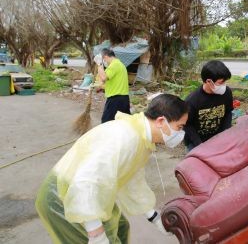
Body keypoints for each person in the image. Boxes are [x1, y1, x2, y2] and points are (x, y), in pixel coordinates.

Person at [35, 94, 189, 244]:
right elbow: (86, 182)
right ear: (161, 121)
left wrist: (154, 217)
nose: (180, 134)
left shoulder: (141, 138)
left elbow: (132, 181)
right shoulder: (125, 137)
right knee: (106, 236)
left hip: (88, 193)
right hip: (64, 197)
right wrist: (96, 234)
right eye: (179, 127)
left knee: (121, 228)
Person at [184, 60, 233, 151]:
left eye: (225, 82)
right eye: (221, 83)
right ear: (209, 81)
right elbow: (187, 125)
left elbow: (228, 113)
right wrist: (200, 145)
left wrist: (225, 134)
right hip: (195, 142)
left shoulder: (227, 93)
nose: (224, 86)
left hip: (217, 139)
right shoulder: (192, 100)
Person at [94, 48, 130, 123]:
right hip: (123, 98)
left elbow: (103, 78)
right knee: (123, 123)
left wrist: (99, 64)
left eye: (103, 60)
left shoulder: (114, 65)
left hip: (115, 99)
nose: (104, 62)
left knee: (106, 122)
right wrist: (100, 87)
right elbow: (112, 82)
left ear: (105, 57)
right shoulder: (119, 64)